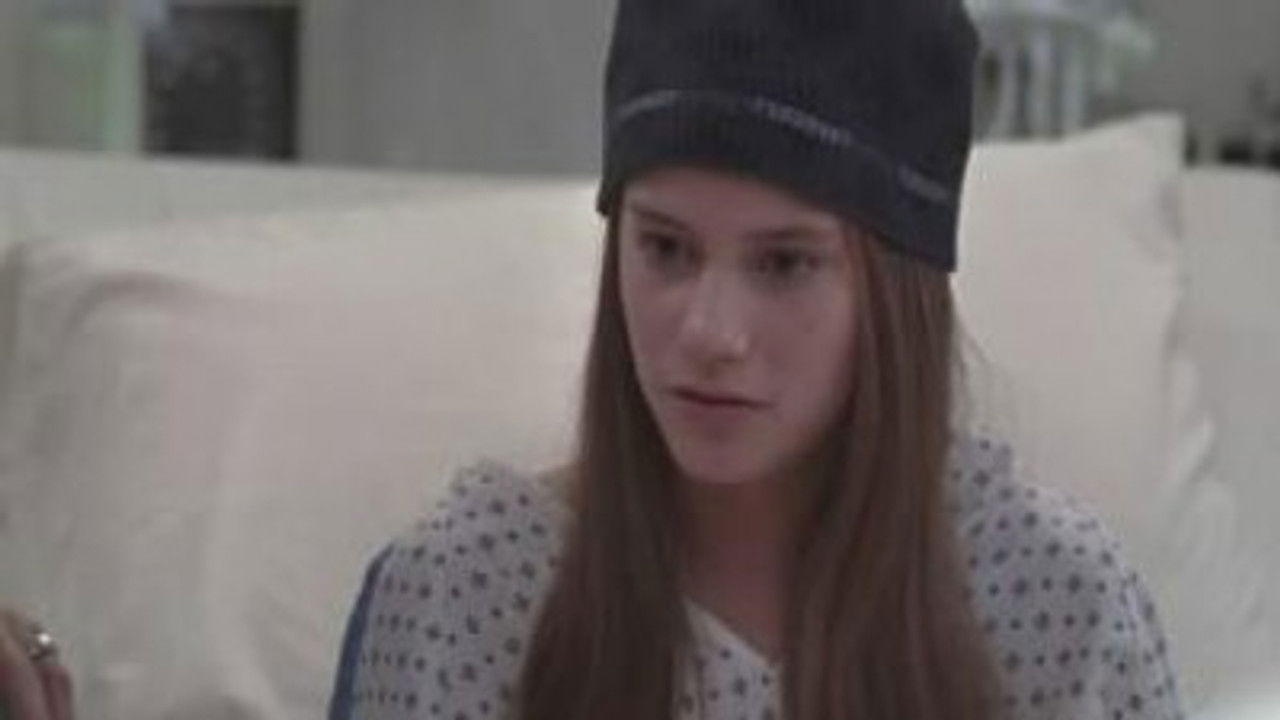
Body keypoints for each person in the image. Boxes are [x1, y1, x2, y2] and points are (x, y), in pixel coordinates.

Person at [327, 1, 1185, 720]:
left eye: (784, 264)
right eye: (665, 249)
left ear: (896, 296)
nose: (711, 332)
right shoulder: (471, 593)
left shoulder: (1054, 607)